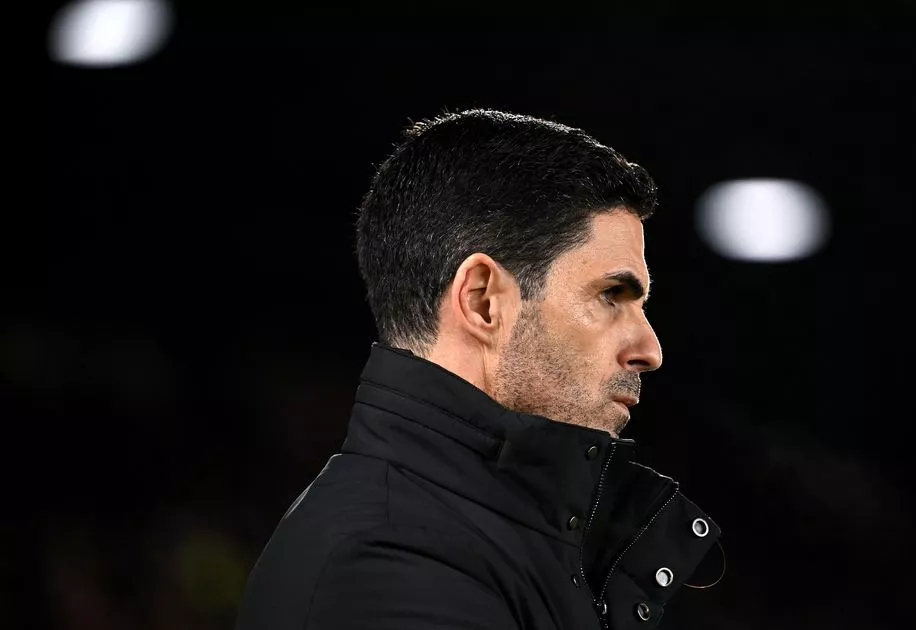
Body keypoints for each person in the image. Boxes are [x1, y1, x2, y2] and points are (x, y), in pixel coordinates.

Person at [234, 109, 721, 630]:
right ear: (483, 301)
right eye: (610, 296)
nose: (649, 349)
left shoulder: (469, 537)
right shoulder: (387, 566)